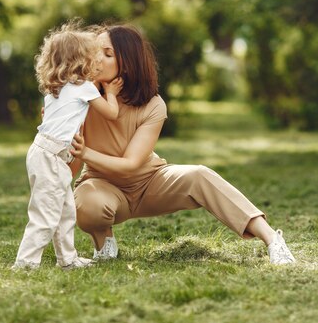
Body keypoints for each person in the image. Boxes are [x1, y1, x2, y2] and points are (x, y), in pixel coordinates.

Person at [69, 24, 296, 265]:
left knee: (200, 175)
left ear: (127, 61)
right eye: (95, 52)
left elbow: (131, 163)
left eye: (107, 53)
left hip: (148, 182)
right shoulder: (80, 99)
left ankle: (273, 240)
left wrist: (86, 152)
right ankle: (103, 243)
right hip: (101, 184)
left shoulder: (153, 105)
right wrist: (61, 138)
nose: (97, 59)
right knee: (88, 203)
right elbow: (72, 168)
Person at [12, 20, 124, 270]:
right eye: (94, 57)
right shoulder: (83, 88)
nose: (97, 62)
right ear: (80, 60)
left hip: (45, 153)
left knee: (64, 212)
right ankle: (26, 263)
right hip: (52, 158)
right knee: (45, 215)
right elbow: (111, 113)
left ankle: (68, 259)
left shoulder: (57, 87)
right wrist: (112, 93)